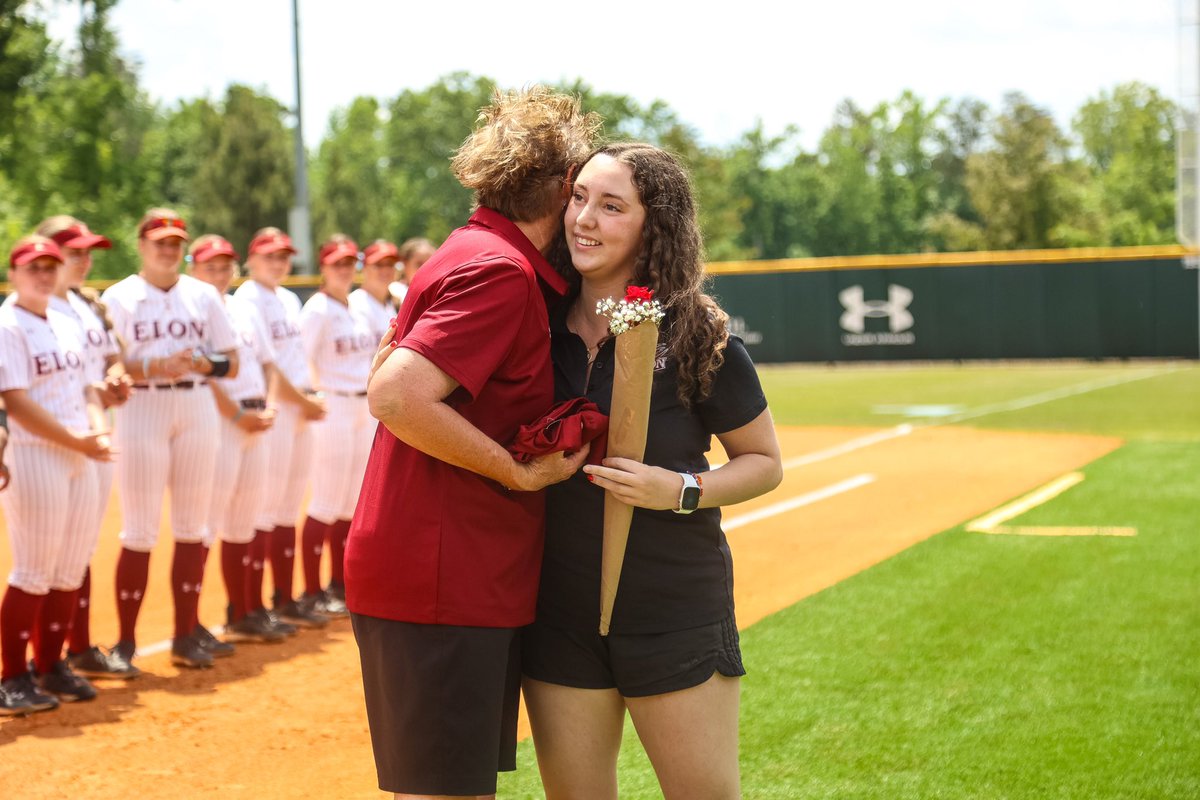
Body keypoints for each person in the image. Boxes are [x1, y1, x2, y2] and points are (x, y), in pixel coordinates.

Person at [344, 85, 600, 799]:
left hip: (449, 570)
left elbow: (387, 363)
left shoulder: (476, 250)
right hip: (441, 574)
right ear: (559, 186)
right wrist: (515, 474)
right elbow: (394, 393)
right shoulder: (500, 270)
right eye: (581, 185)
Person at [520, 143, 784, 799]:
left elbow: (764, 463)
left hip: (673, 608)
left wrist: (680, 491)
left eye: (611, 206)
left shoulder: (697, 333)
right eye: (578, 198)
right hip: (556, 612)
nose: (584, 218)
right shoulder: (531, 324)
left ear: (652, 225)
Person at [100, 209, 240, 671]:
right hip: (143, 407)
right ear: (141, 244)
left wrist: (201, 363)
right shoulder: (119, 297)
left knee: (192, 526)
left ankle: (186, 634)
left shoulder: (202, 295)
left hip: (197, 406)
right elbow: (109, 366)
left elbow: (232, 362)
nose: (169, 249)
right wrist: (155, 366)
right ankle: (123, 644)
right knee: (139, 529)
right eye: (159, 241)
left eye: (176, 241)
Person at [0, 235, 113, 715]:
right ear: (14, 273)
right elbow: (16, 401)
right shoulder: (9, 323)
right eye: (34, 268)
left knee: (70, 567)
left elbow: (88, 385)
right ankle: (12, 677)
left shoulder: (65, 319)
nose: (44, 275)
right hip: (36, 454)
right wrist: (78, 441)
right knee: (34, 569)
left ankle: (51, 666)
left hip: (80, 452)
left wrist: (99, 433)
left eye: (50, 267)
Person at [34, 215, 138, 679]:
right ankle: (38, 658)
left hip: (96, 436)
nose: (84, 259)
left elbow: (106, 368)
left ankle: (74, 646)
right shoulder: (33, 311)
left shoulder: (85, 305)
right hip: (49, 443)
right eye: (73, 251)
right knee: (45, 557)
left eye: (86, 251)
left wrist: (116, 383)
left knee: (79, 548)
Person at [187, 235, 290, 644]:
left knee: (245, 521)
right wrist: (236, 415)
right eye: (210, 266)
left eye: (225, 265)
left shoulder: (243, 309)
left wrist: (269, 407)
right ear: (193, 268)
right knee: (206, 523)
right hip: (219, 422)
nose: (219, 273)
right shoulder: (192, 309)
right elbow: (201, 374)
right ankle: (189, 623)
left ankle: (243, 609)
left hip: (256, 417)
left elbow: (270, 364)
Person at [232, 228, 328, 631]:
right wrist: (302, 400)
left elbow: (297, 358)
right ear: (251, 260)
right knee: (264, 511)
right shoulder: (247, 299)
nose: (278, 263)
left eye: (284, 256)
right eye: (270, 256)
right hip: (277, 408)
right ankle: (248, 606)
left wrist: (312, 395)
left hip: (300, 408)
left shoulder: (289, 299)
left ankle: (285, 599)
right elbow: (270, 366)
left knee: (288, 507)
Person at [297, 234, 374, 618]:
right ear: (323, 268)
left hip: (362, 406)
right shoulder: (317, 309)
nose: (344, 270)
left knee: (348, 503)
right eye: (336, 263)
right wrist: (311, 395)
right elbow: (300, 360)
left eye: (349, 263)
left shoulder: (355, 307)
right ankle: (311, 591)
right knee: (326, 501)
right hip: (333, 406)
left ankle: (337, 584)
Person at [354, 239, 402, 334]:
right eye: (379, 264)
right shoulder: (354, 304)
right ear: (364, 268)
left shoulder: (396, 303)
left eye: (390, 264)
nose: (385, 270)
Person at [386, 237, 436, 307]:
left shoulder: (438, 294)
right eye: (419, 264)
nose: (425, 269)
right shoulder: (393, 291)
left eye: (430, 264)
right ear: (405, 263)